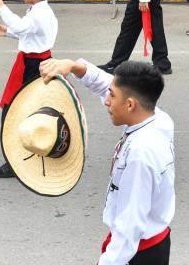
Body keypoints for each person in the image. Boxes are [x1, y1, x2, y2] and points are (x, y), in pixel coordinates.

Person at [39, 58, 174, 265]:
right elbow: (109, 84)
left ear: (130, 105)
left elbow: (130, 225)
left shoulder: (140, 154)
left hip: (136, 254)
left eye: (112, 96)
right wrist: (75, 66)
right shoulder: (158, 119)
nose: (107, 101)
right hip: (151, 243)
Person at [0, 0, 57, 178]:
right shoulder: (42, 10)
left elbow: (21, 26)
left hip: (32, 66)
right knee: (33, 111)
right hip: (39, 62)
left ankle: (15, 162)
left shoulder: (39, 13)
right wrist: (8, 32)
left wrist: (0, 6)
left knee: (13, 113)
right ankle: (37, 152)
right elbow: (30, 33)